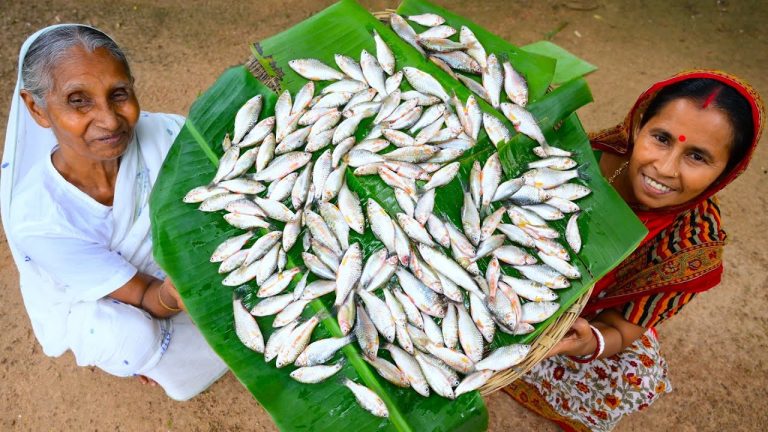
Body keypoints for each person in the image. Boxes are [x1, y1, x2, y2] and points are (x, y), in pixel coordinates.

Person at [504, 71, 764, 431]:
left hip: (584, 318)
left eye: (698, 157)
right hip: (513, 277)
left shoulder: (692, 245)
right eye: (661, 138)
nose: (665, 168)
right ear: (639, 124)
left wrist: (587, 342)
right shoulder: (586, 155)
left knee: (631, 374)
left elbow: (621, 329)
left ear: (727, 171)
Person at [0, 24, 228, 401]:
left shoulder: (170, 134)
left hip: (181, 266)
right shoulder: (39, 219)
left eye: (119, 94)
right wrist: (173, 295)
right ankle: (159, 359)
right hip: (128, 292)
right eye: (78, 100)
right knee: (125, 337)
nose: (109, 119)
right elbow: (145, 296)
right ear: (36, 108)